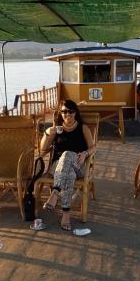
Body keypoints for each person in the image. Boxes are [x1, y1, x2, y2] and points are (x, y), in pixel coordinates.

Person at [39, 99, 95, 231]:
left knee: (68, 154)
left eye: (70, 111)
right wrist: (47, 133)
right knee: (68, 173)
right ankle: (66, 215)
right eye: (64, 111)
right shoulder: (57, 130)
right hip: (57, 168)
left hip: (77, 165)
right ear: (61, 113)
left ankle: (55, 192)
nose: (67, 114)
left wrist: (85, 153)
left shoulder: (83, 128)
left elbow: (93, 147)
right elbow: (42, 148)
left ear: (75, 113)